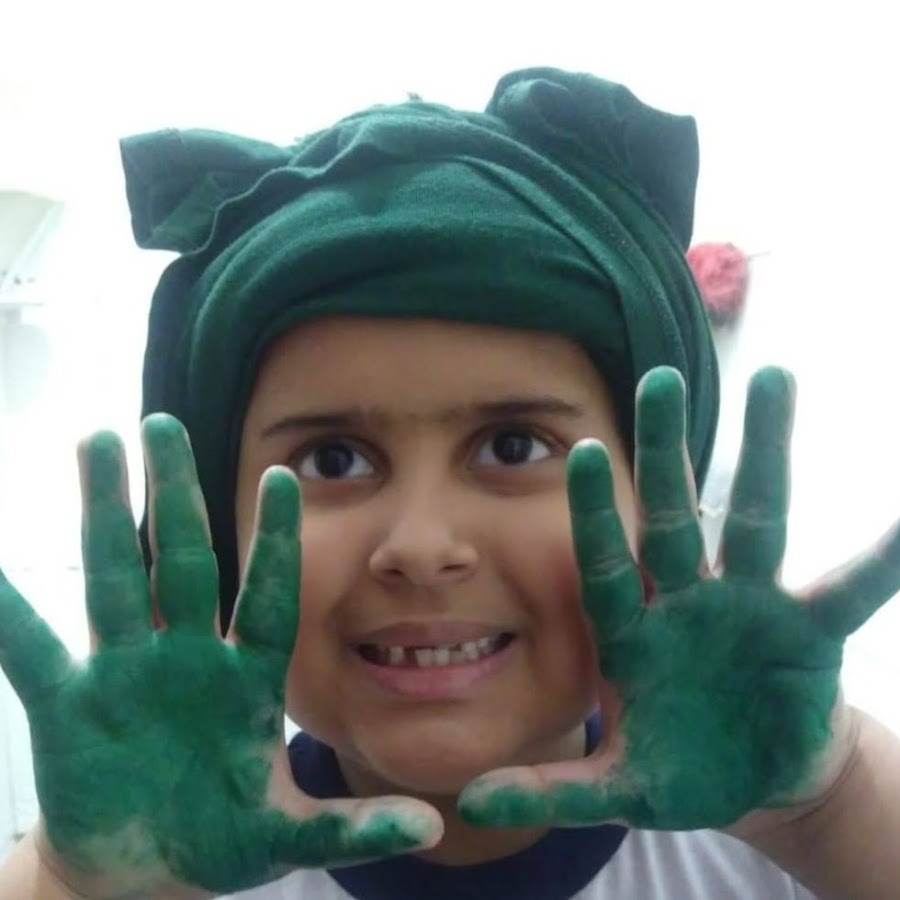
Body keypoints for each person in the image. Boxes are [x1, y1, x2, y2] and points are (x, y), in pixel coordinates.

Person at [0, 66, 898, 900]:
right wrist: (71, 884)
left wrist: (829, 804)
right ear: (222, 544)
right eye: (332, 460)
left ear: (658, 507)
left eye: (513, 446)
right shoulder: (161, 865)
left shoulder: (782, 844)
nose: (423, 546)